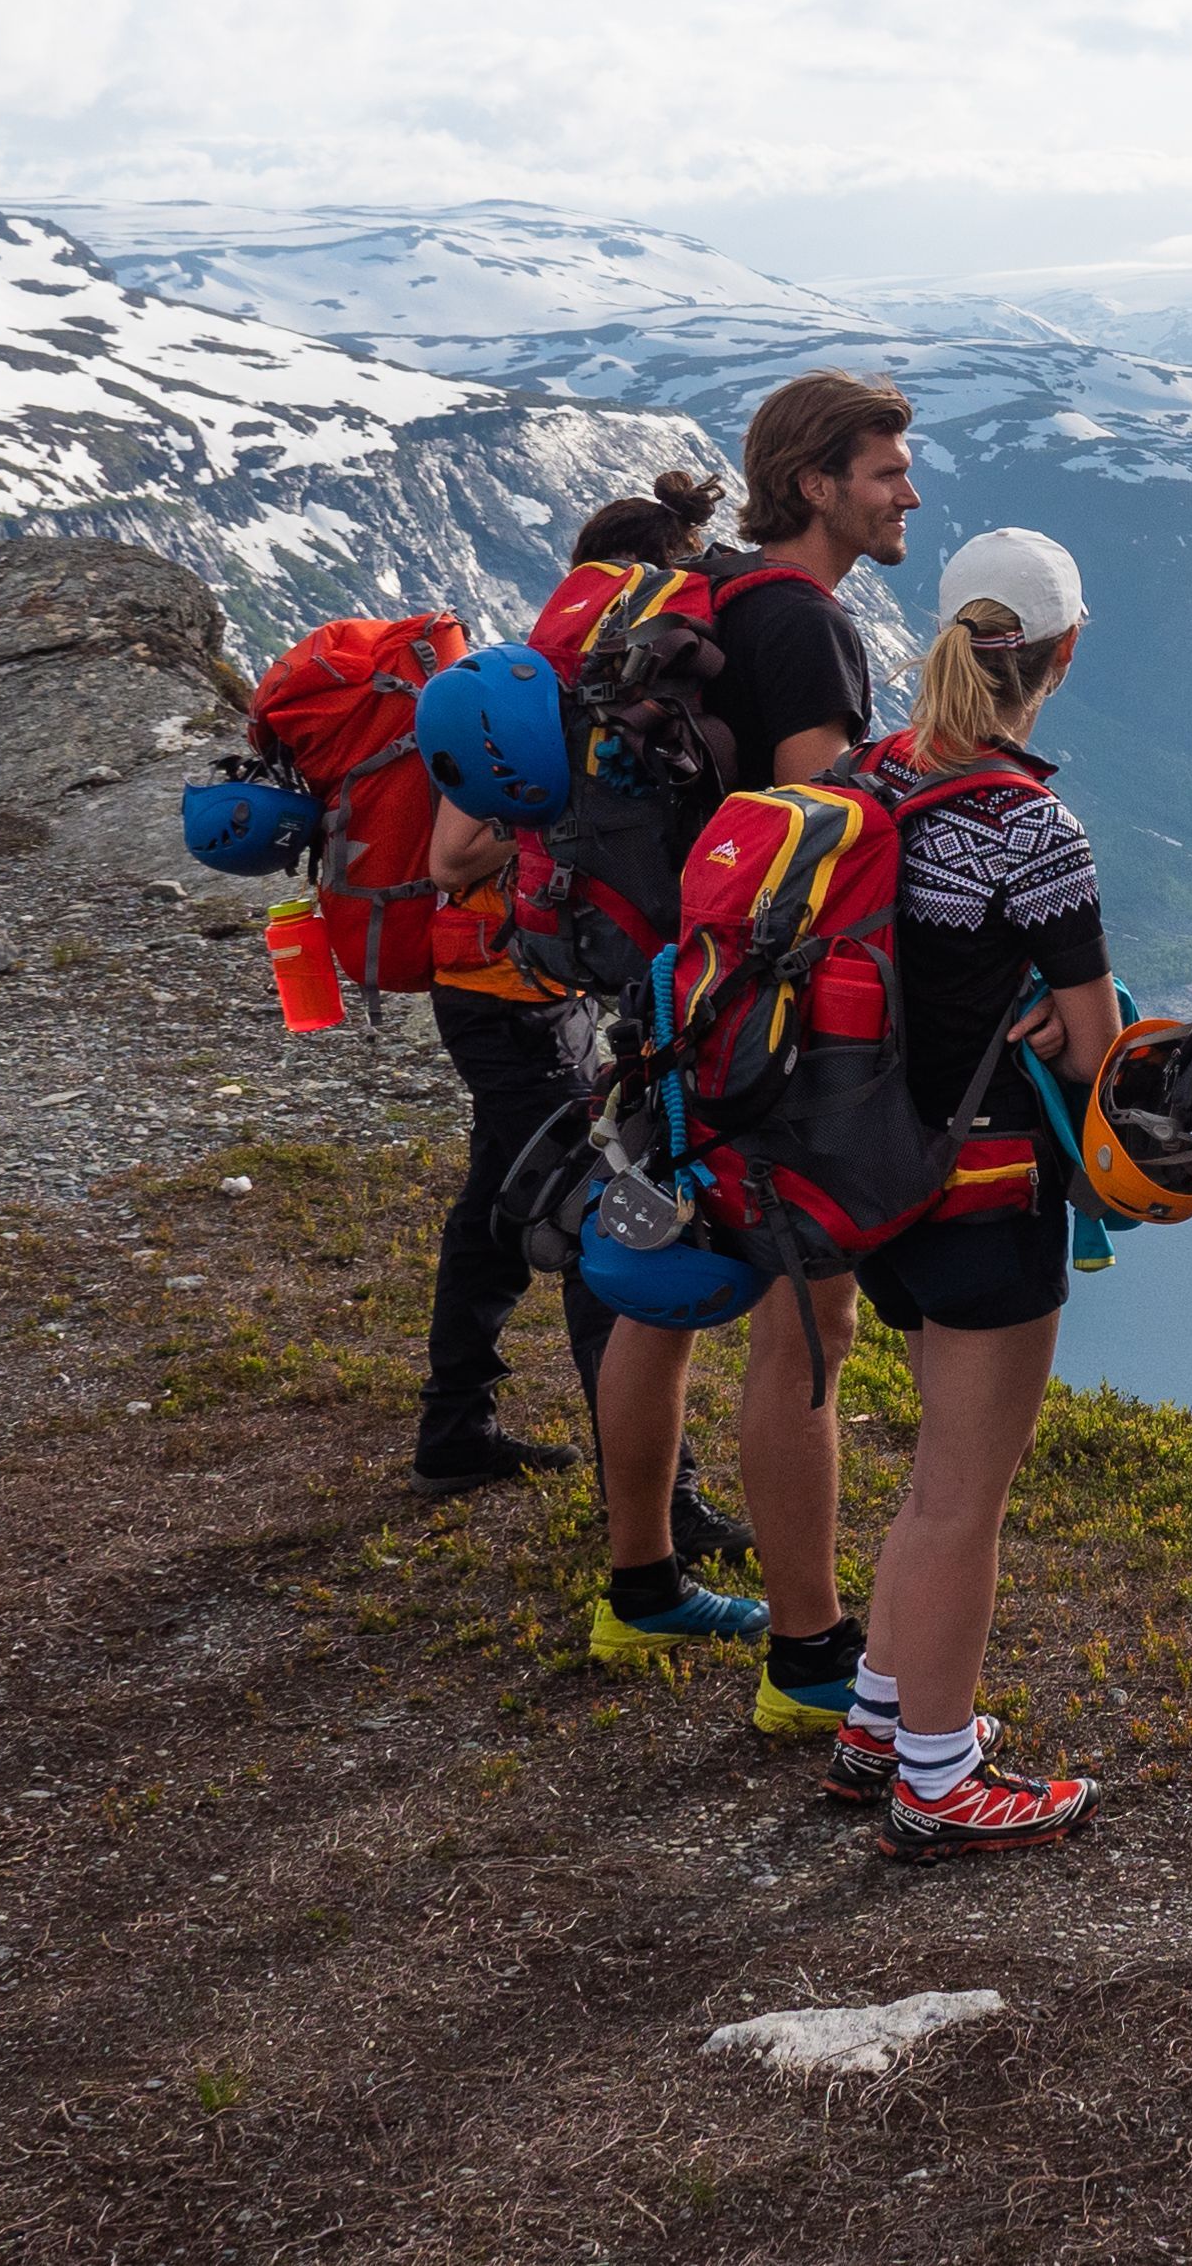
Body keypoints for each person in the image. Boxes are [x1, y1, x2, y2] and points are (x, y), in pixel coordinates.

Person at [582, 372, 917, 1732]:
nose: (906, 490)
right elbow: (819, 843)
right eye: (886, 470)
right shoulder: (808, 631)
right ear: (818, 482)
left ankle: (642, 1584)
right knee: (807, 1323)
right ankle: (808, 1656)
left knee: (657, 1280)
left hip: (649, 989)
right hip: (755, 1016)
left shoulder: (704, 596)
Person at [827, 526, 1118, 1862]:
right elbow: (1091, 1037)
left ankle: (881, 1717)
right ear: (1061, 654)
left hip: (873, 1177)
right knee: (963, 1492)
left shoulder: (865, 773)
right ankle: (937, 1779)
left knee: (935, 1480)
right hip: (989, 1189)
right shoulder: (1024, 820)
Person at [412, 476, 739, 1540]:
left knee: (492, 1207)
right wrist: (577, 815)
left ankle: (453, 1430)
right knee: (605, 1221)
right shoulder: (543, 695)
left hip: (514, 988)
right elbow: (451, 851)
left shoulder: (562, 684)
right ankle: (658, 1502)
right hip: (497, 991)